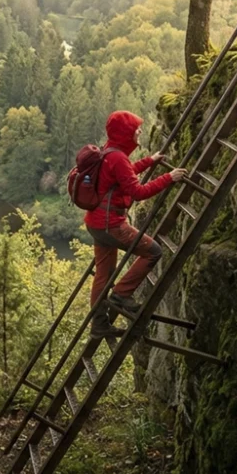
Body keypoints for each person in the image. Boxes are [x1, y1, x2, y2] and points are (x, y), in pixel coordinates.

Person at [85, 110, 187, 338]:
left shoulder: (109, 152)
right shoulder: (117, 157)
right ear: (125, 133)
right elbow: (137, 192)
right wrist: (169, 178)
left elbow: (124, 174)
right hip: (111, 224)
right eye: (135, 128)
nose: (139, 130)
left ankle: (99, 326)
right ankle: (121, 295)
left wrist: (149, 161)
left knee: (104, 274)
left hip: (96, 223)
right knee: (153, 251)